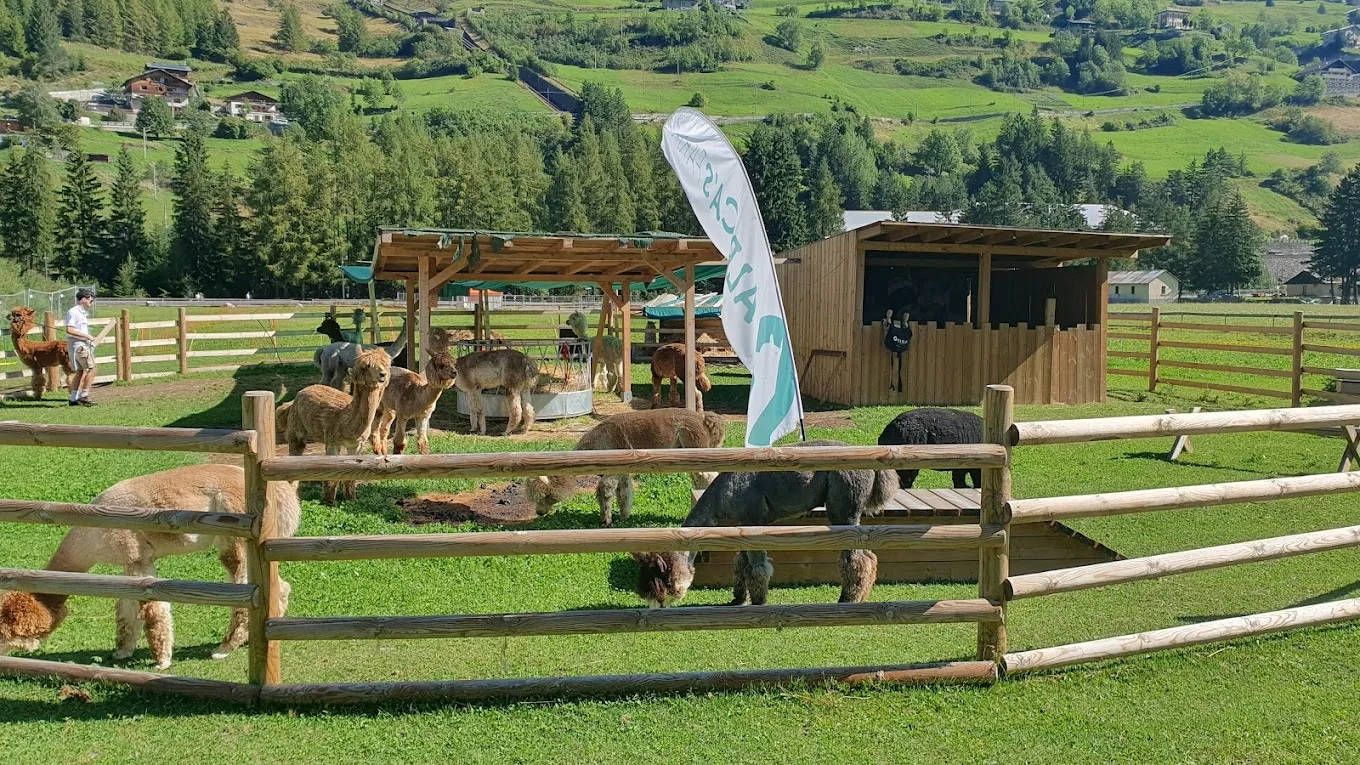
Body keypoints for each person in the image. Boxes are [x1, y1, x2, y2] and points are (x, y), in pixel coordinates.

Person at [64, 289, 97, 407]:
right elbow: (70, 329)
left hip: (78, 344)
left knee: (80, 371)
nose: (91, 303)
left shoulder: (81, 312)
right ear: (84, 299)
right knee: (92, 369)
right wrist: (87, 336)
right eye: (90, 300)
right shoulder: (74, 312)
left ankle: (73, 398)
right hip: (79, 345)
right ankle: (84, 395)